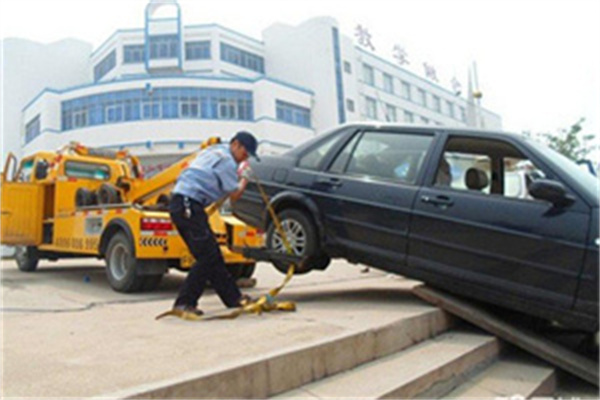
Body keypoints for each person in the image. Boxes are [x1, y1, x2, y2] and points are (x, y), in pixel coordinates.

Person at [169, 131, 259, 316]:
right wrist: (244, 178)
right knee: (207, 257)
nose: (245, 158)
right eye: (245, 153)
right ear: (235, 144)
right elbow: (234, 195)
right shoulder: (226, 161)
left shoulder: (215, 150)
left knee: (213, 257)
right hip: (189, 205)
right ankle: (184, 303)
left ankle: (233, 299)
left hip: (186, 205)